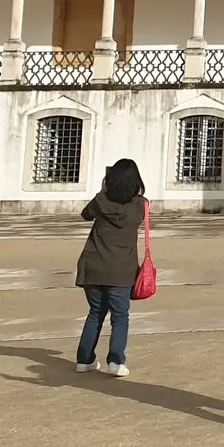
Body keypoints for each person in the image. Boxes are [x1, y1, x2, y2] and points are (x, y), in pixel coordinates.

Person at [74, 160, 146, 377]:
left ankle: (84, 359)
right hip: (121, 269)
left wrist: (103, 191)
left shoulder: (99, 201)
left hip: (93, 265)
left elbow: (86, 214)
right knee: (119, 316)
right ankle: (115, 360)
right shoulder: (139, 204)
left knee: (95, 312)